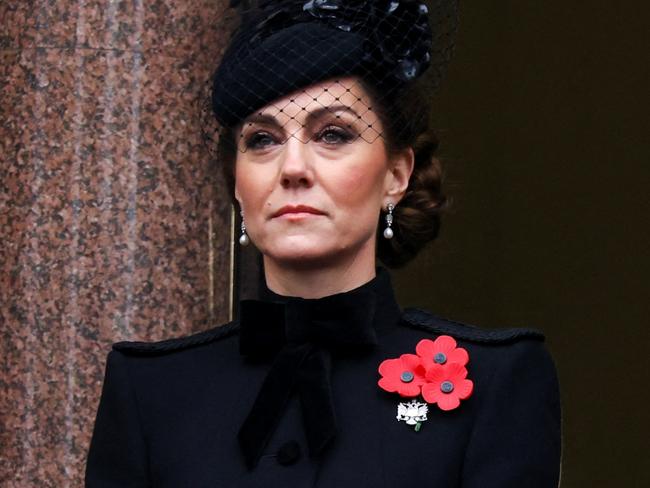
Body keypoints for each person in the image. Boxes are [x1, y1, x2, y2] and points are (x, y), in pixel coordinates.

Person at [85, 1, 561, 486]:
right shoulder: (151, 390)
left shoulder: (496, 381)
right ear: (236, 184)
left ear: (397, 174)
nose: (292, 168)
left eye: (332, 134)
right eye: (262, 140)